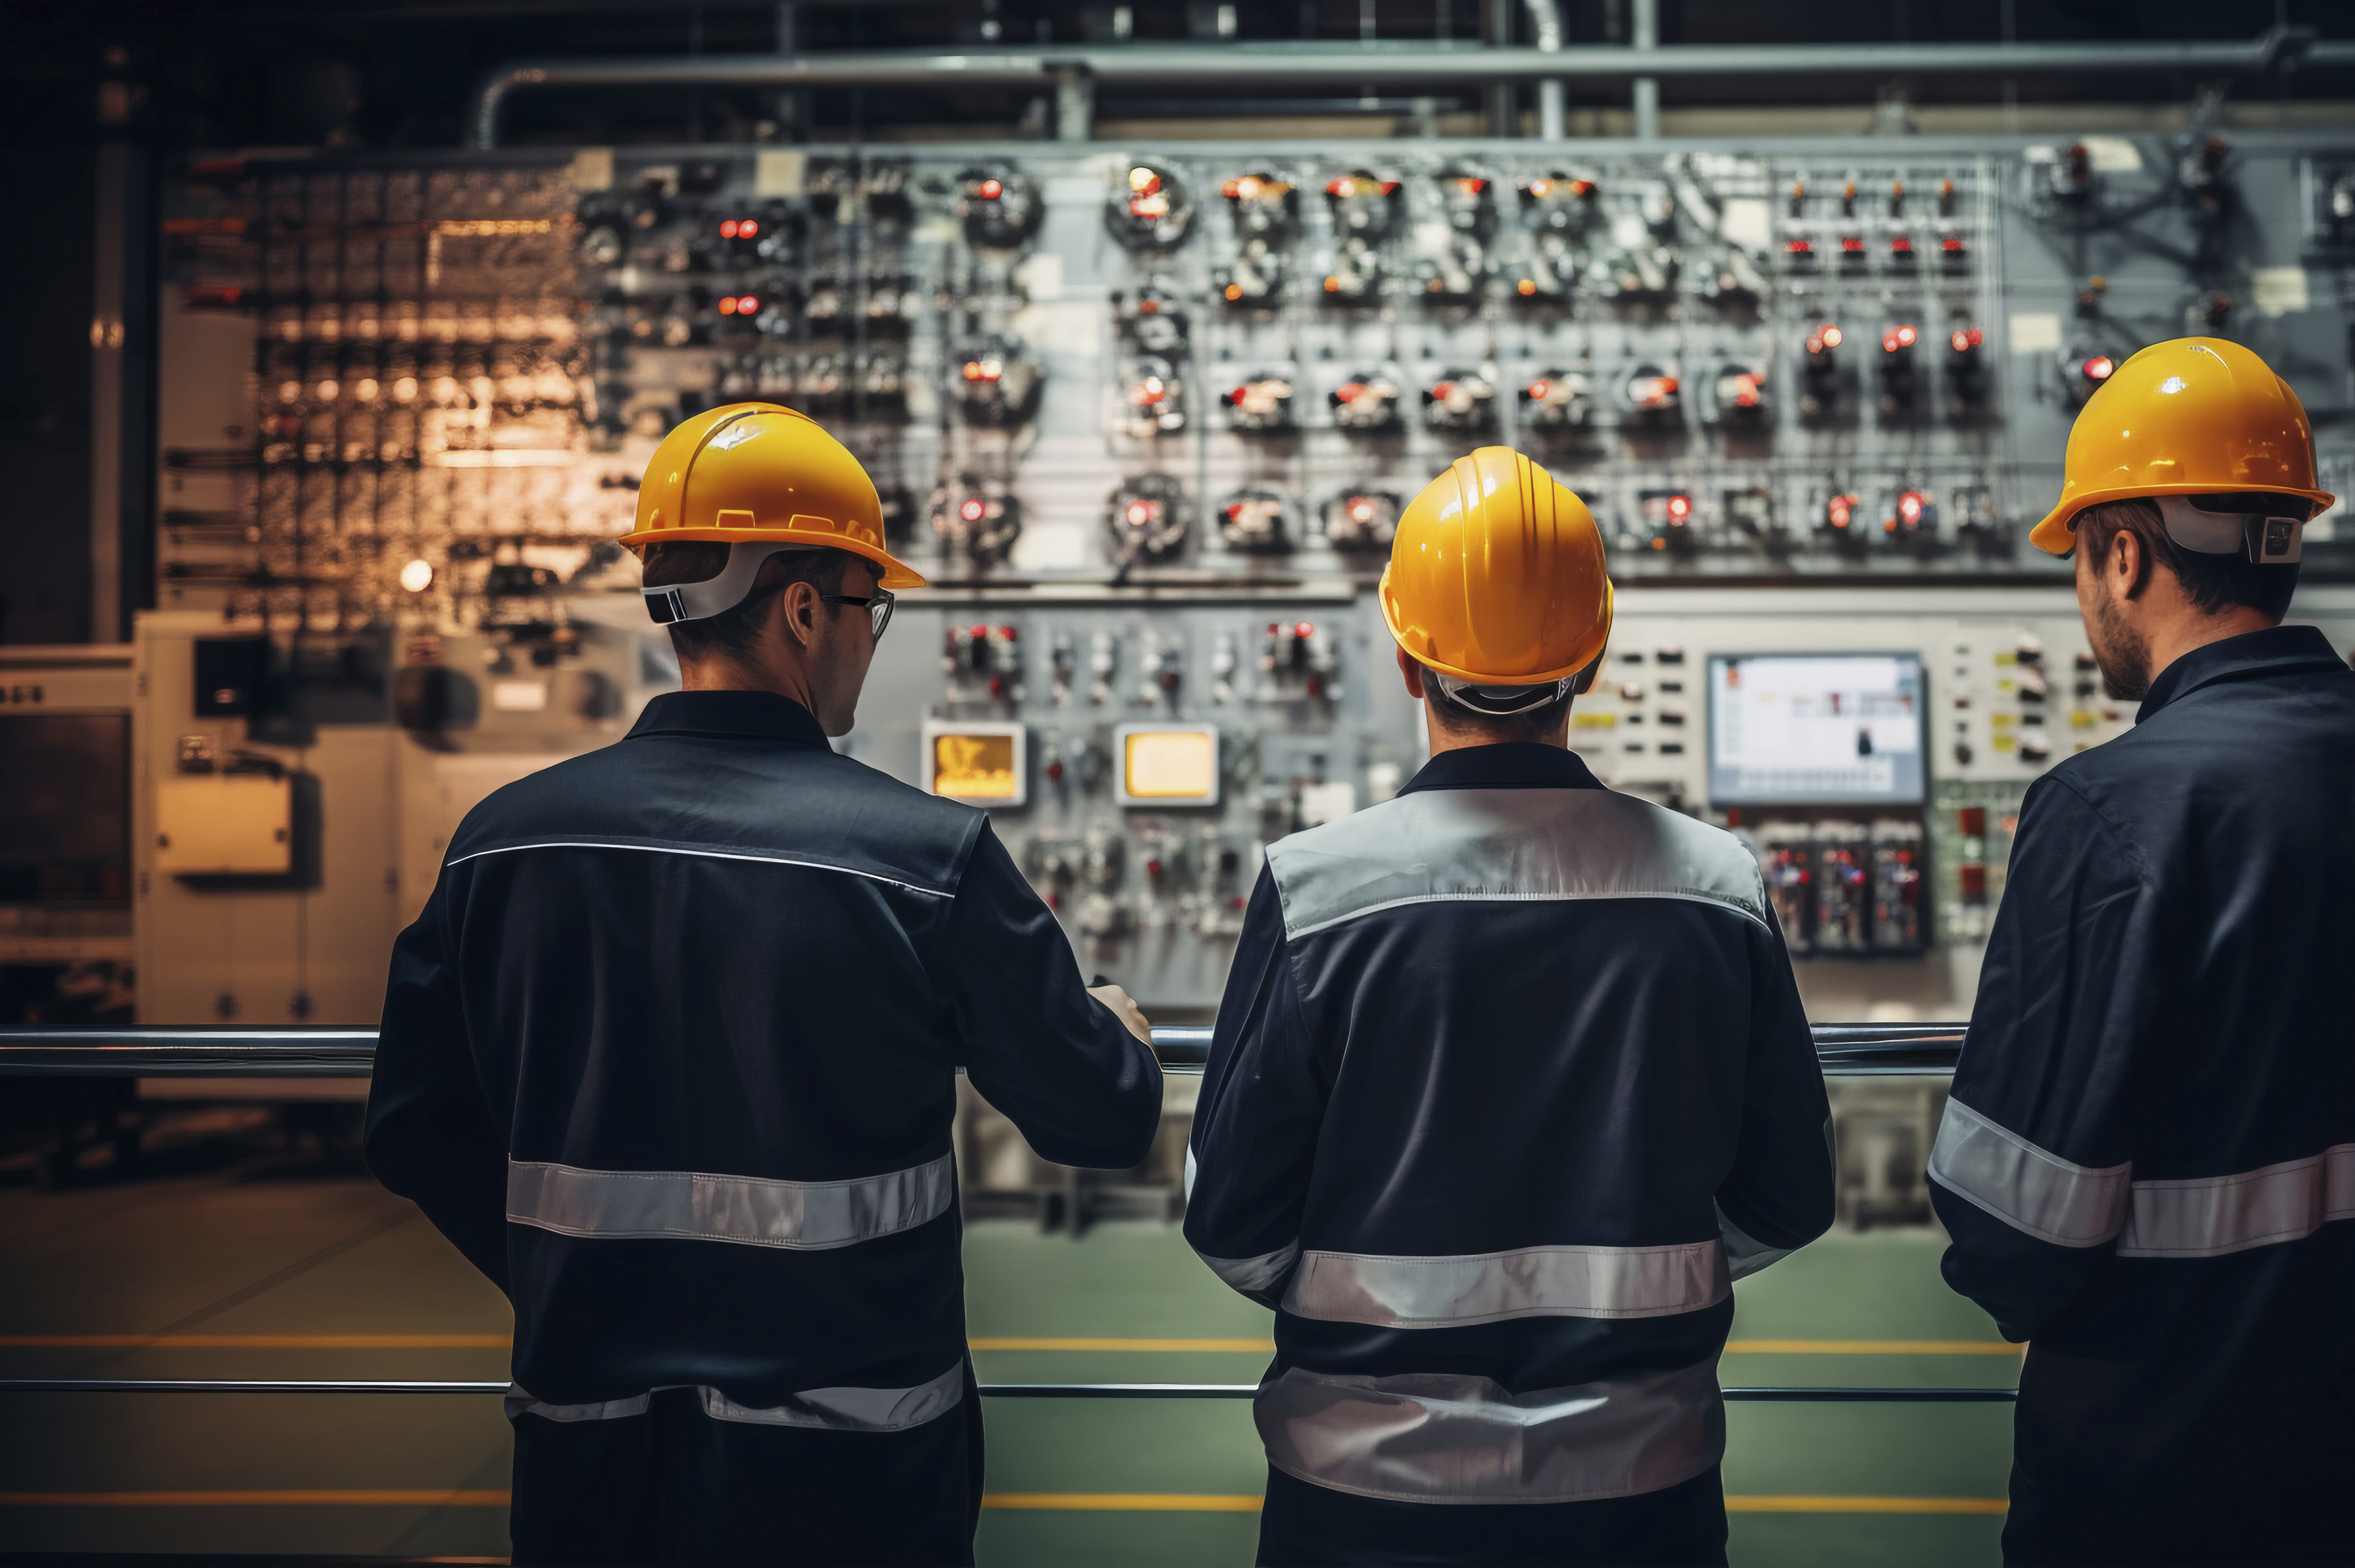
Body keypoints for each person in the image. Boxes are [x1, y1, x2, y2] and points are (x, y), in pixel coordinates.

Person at [365, 403, 1162, 1567]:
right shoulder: (922, 862)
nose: (870, 637)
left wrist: (575, 1281)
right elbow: (1100, 1119)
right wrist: (1113, 1033)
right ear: (799, 609)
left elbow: (410, 1130)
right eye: (867, 607)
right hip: (855, 1474)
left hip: (592, 1462)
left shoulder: (503, 846)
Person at [1928, 340, 2355, 1567]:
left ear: (2123, 553)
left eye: (2080, 556)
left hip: (2162, 1484)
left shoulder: (2106, 810)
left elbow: (2015, 1229)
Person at [1181, 446, 1836, 1568]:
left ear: (1403, 659)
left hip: (1360, 1491)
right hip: (1644, 1490)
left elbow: (1232, 1221)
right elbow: (1788, 1197)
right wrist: (1637, 1281)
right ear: (1591, 661)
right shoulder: (1715, 885)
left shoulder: (1315, 888)